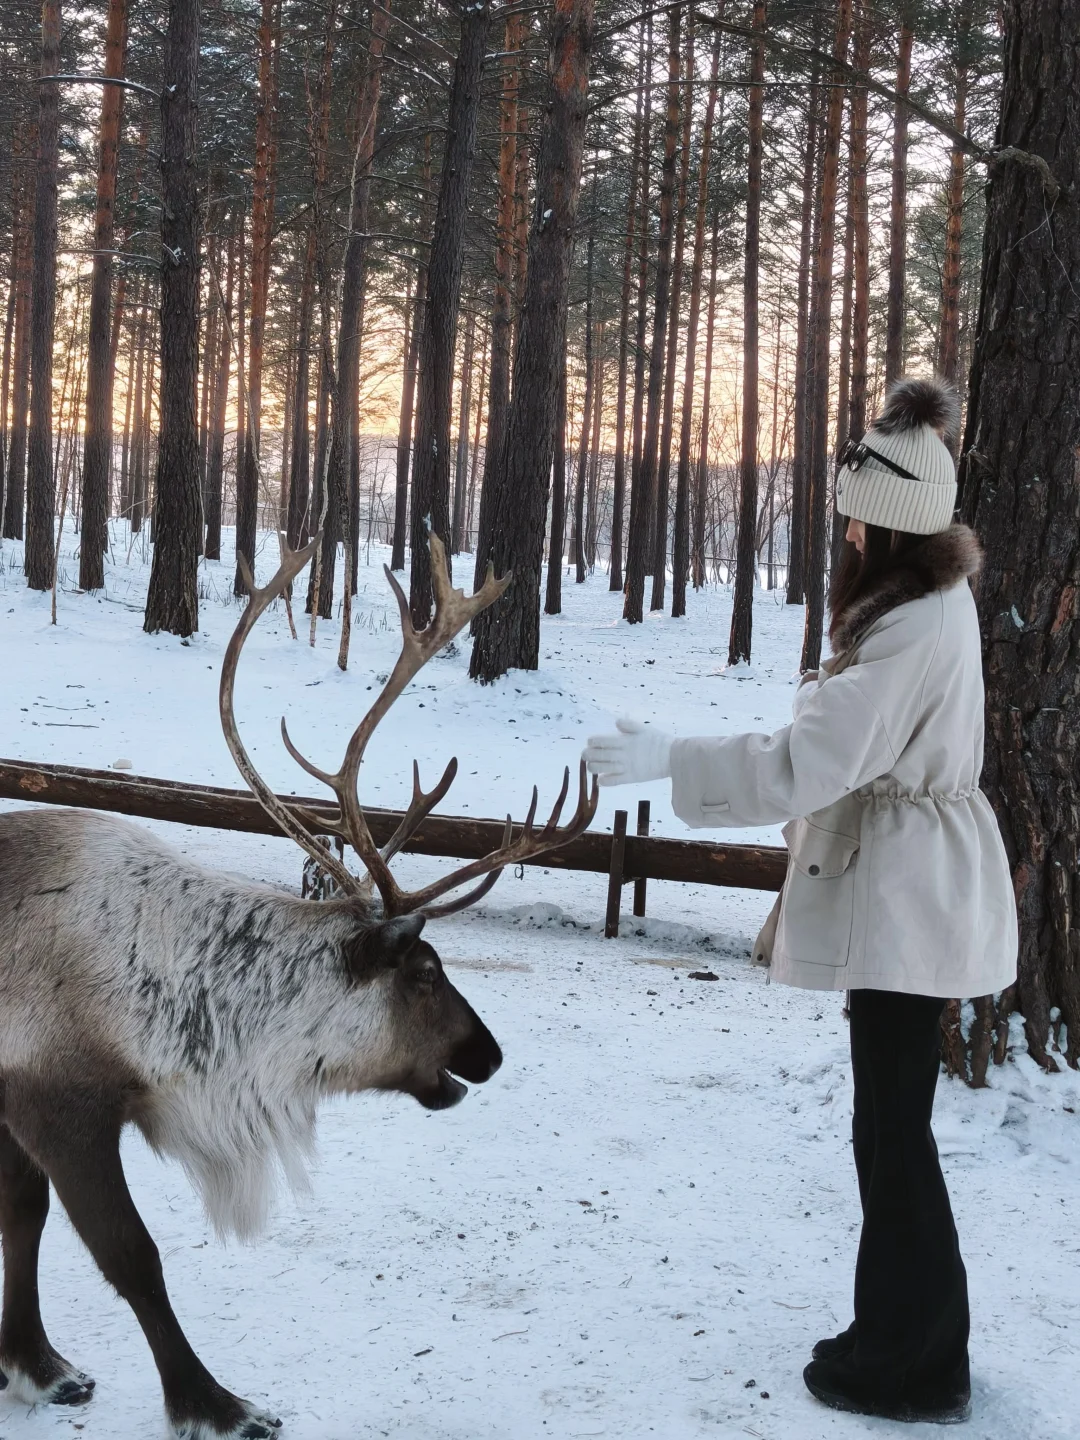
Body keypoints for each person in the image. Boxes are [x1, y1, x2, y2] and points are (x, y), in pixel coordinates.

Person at [584, 376, 1017, 1426]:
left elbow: (808, 763)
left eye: (855, 508)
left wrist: (667, 759)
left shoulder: (912, 627)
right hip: (907, 889)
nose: (848, 524)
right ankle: (909, 1336)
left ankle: (914, 1363)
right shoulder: (925, 604)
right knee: (891, 1130)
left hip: (907, 901)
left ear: (892, 517)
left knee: (893, 1134)